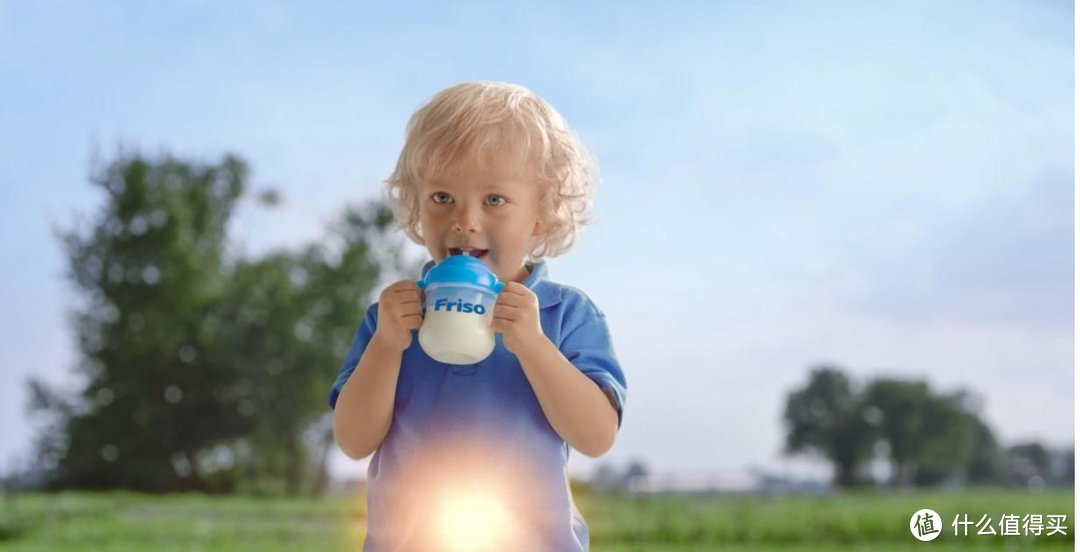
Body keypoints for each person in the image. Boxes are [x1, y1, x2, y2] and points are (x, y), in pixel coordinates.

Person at [329, 81, 627, 551]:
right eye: (442, 197)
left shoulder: (565, 314)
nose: (464, 220)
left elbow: (595, 437)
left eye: (494, 200)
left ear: (542, 214)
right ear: (416, 203)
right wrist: (387, 346)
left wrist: (534, 346)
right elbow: (353, 440)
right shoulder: (393, 317)